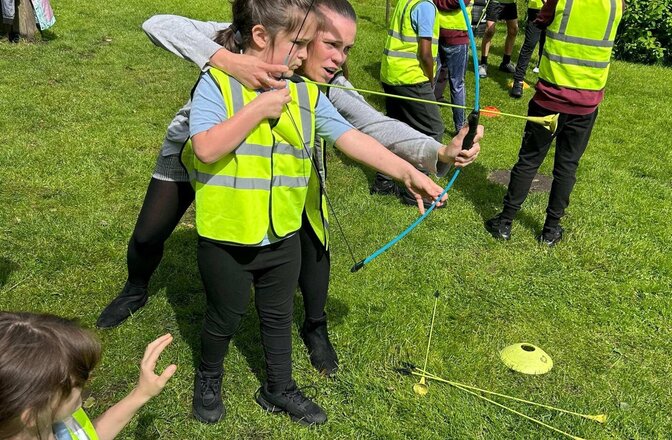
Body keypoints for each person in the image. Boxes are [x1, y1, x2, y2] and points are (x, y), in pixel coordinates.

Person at [96, 0, 481, 378]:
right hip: (193, 151)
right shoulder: (253, 35)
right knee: (149, 234)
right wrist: (230, 61)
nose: (339, 59)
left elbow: (371, 126)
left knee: (312, 238)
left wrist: (437, 151)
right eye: (330, 45)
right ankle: (136, 287)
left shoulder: (324, 86)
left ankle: (315, 326)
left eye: (347, 49)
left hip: (271, 168)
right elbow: (158, 23)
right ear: (304, 34)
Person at [184, 0, 448, 426]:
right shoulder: (218, 83)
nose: (306, 56)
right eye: (300, 44)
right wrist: (256, 110)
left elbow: (350, 137)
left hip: (283, 235)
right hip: (227, 239)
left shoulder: (305, 94)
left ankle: (279, 387)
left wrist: (407, 172)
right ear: (260, 38)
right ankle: (209, 377)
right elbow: (206, 148)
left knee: (277, 317)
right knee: (225, 316)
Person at [485, 0, 624, 246]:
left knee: (529, 160)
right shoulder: (616, 4)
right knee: (567, 167)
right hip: (586, 102)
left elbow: (540, 20)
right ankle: (550, 230)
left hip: (550, 99)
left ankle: (505, 222)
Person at [0, 312, 175, 440]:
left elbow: (87, 436)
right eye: (76, 384)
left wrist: (141, 393)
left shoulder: (44, 419)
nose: (87, 382)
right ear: (31, 416)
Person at [379, 0, 444, 205]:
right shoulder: (425, 6)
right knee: (433, 130)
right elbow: (425, 53)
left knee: (395, 130)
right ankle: (415, 192)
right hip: (411, 78)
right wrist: (431, 78)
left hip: (392, 74)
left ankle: (383, 181)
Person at [433, 0, 473, 134]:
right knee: (430, 79)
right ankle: (424, 120)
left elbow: (457, 2)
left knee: (456, 83)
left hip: (457, 36)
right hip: (437, 32)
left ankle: (460, 127)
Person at [509, 0, 546, 98]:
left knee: (547, 46)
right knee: (530, 44)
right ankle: (518, 81)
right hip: (536, 10)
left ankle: (545, 81)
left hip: (556, 11)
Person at [478, 0, 519, 78]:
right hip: (495, 2)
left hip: (510, 3)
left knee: (514, 30)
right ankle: (483, 64)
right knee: (489, 31)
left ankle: (505, 63)